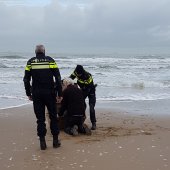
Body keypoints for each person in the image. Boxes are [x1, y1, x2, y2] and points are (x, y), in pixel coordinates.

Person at [23, 45, 62, 150]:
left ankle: (42, 143)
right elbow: (58, 78)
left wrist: (28, 93)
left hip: (37, 94)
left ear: (35, 52)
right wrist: (60, 94)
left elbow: (26, 80)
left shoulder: (30, 62)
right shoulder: (50, 61)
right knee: (53, 117)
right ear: (44, 51)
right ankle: (55, 141)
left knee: (40, 119)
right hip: (50, 93)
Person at [70, 65, 97, 130]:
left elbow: (88, 88)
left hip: (90, 90)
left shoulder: (87, 76)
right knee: (80, 105)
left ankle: (93, 123)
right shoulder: (76, 72)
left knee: (91, 107)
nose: (78, 75)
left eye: (80, 74)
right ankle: (80, 122)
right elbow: (70, 79)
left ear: (82, 72)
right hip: (83, 89)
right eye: (77, 74)